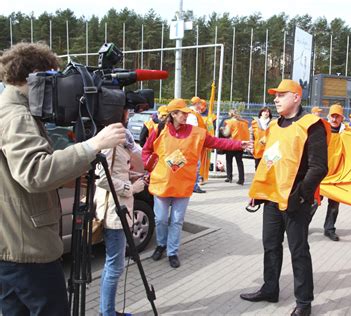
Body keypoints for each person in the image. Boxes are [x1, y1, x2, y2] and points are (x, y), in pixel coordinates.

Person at [0, 42, 126, 315]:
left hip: (13, 245)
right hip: (28, 250)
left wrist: (72, 170)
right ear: (35, 77)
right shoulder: (17, 116)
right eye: (53, 78)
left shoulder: (10, 108)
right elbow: (35, 173)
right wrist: (93, 145)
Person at [241, 79, 329, 316]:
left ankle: (304, 303)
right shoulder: (275, 126)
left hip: (295, 201)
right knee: (270, 246)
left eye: (281, 95)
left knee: (299, 250)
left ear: (297, 97)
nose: (276, 99)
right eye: (275, 95)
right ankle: (270, 289)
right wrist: (258, 193)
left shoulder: (313, 125)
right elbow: (270, 162)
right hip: (271, 199)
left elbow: (319, 167)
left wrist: (300, 196)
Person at [142, 99, 251, 268]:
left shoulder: (197, 133)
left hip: (183, 184)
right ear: (173, 114)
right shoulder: (159, 129)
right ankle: (161, 245)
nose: (185, 115)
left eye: (186, 113)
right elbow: (146, 150)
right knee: (161, 219)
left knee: (177, 220)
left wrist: (238, 144)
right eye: (182, 113)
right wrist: (148, 168)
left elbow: (217, 142)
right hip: (161, 182)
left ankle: (172, 252)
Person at [95, 111, 146, 316]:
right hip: (114, 213)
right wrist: (131, 188)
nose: (131, 114)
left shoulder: (117, 137)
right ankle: (107, 313)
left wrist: (131, 175)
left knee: (113, 265)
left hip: (119, 210)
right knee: (115, 266)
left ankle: (106, 310)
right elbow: (101, 177)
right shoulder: (110, 139)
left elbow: (113, 172)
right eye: (128, 110)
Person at [321, 103, 346, 241]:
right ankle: (302, 226)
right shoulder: (321, 130)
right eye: (332, 116)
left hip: (338, 176)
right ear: (328, 116)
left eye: (338, 116)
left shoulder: (347, 134)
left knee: (334, 206)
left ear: (342, 118)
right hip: (321, 174)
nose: (335, 119)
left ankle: (329, 229)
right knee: (312, 203)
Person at [222, 109, 250, 185]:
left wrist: (222, 130)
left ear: (230, 114)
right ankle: (241, 179)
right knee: (239, 162)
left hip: (231, 144)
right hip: (240, 144)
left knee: (229, 161)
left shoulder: (230, 122)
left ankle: (229, 177)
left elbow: (226, 134)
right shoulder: (244, 123)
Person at [186, 97, 207, 193]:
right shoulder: (192, 114)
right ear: (196, 104)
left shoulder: (194, 113)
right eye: (200, 104)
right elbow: (194, 130)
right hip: (193, 144)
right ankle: (193, 186)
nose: (201, 106)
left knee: (195, 165)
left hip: (195, 143)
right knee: (196, 165)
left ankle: (192, 185)